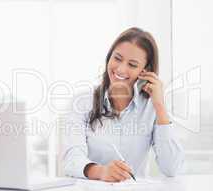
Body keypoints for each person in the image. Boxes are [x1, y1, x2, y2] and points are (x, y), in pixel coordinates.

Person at [62, 27, 184, 182]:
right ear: (109, 57)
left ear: (144, 71)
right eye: (117, 58)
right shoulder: (81, 102)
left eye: (132, 65)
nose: (120, 69)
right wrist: (102, 172)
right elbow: (71, 159)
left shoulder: (151, 108)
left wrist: (159, 106)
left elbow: (171, 168)